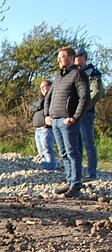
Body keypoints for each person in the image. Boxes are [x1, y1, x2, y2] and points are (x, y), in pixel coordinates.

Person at [45, 47, 90, 198]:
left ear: (71, 58)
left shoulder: (78, 74)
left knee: (73, 153)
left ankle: (76, 185)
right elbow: (48, 97)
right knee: (63, 153)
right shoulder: (58, 76)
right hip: (55, 120)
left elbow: (85, 98)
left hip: (67, 121)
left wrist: (75, 117)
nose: (59, 60)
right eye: (58, 57)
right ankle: (69, 180)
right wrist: (47, 114)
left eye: (62, 57)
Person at [74, 48, 105, 180]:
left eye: (79, 55)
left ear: (85, 56)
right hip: (73, 114)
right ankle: (77, 173)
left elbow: (97, 93)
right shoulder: (73, 73)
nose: (76, 58)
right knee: (76, 145)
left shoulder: (93, 72)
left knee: (88, 143)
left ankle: (91, 173)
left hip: (86, 113)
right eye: (74, 56)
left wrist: (83, 107)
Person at [28, 80, 57, 170]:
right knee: (41, 151)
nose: (43, 89)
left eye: (45, 86)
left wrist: (36, 105)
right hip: (38, 129)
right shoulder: (40, 97)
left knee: (47, 150)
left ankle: (50, 168)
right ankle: (46, 167)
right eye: (41, 88)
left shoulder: (53, 97)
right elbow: (31, 107)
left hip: (46, 128)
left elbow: (40, 104)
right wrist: (37, 105)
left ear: (50, 86)